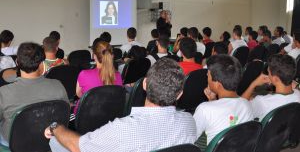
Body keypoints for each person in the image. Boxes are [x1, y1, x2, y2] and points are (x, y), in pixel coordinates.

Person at [45, 58, 197, 152]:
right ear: (179, 94)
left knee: (55, 140)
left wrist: (55, 127)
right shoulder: (189, 122)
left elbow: (78, 147)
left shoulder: (123, 129)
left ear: (145, 84)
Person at [0, 42, 69, 146]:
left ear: (17, 63)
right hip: (48, 139)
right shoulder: (58, 85)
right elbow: (65, 114)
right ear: (42, 64)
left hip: (14, 143)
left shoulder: (3, 92)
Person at [193, 55, 254, 145]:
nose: (206, 75)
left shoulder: (204, 109)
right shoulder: (246, 104)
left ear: (218, 84)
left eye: (208, 75)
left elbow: (190, 137)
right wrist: (213, 100)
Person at [242, 54, 300, 120]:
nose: (268, 75)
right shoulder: (298, 94)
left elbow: (240, 108)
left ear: (275, 79)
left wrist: (253, 84)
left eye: (268, 72)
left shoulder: (262, 102)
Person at [75, 41, 122, 113]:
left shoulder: (84, 74)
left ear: (94, 56)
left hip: (86, 116)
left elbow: (79, 94)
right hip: (108, 115)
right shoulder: (118, 75)